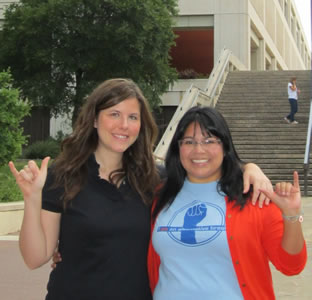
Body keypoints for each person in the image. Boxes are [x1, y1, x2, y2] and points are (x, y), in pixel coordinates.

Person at [9, 78, 272, 300]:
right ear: (94, 120)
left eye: (132, 117)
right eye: (114, 114)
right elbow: (35, 258)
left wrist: (249, 167)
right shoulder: (63, 175)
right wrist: (32, 199)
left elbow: (208, 167)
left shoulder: (156, 179)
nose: (124, 125)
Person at [148, 106, 307, 300]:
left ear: (225, 147)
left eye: (209, 141)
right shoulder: (159, 196)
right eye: (189, 142)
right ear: (178, 148)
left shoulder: (253, 197)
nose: (198, 150)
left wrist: (291, 215)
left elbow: (292, 265)